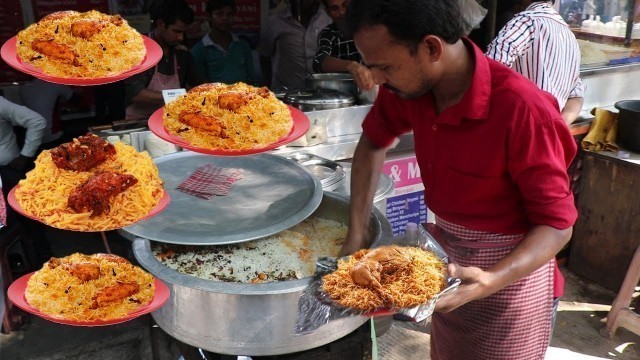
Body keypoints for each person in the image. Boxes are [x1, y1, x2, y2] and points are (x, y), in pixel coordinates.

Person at [341, 1, 577, 359]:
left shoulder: (521, 109)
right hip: (451, 268)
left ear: (431, 48)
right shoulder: (412, 88)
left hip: (511, 282)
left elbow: (557, 226)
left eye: (384, 67)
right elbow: (373, 141)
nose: (376, 80)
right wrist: (356, 237)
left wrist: (491, 280)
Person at [486, 0, 585, 126]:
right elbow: (576, 94)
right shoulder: (570, 37)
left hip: (519, 129)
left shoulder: (526, 22)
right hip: (546, 135)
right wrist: (555, 126)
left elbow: (489, 69)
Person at [125, 0, 206, 120]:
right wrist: (180, 95)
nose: (181, 37)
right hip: (138, 123)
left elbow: (200, 86)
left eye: (184, 32)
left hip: (171, 121)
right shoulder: (138, 50)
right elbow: (136, 94)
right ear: (161, 24)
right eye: (176, 31)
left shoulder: (182, 54)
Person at [259, 0, 331, 89]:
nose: (314, 2)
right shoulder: (275, 22)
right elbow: (264, 56)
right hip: (286, 93)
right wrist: (268, 84)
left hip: (319, 92)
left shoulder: (327, 20)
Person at [191, 0, 261, 85]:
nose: (225, 18)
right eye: (219, 14)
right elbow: (201, 86)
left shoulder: (243, 46)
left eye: (229, 14)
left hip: (243, 96)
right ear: (209, 17)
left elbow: (252, 79)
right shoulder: (199, 50)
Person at [312, 0, 374, 91]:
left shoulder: (371, 29)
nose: (342, 12)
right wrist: (351, 66)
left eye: (346, 5)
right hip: (341, 96)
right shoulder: (329, 33)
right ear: (328, 12)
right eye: (335, 8)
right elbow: (319, 60)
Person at [19, 78, 77, 146]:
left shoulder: (24, 87)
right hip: (52, 136)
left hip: (32, 138)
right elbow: (75, 99)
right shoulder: (54, 82)